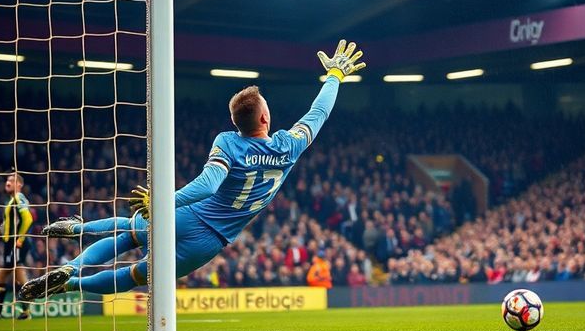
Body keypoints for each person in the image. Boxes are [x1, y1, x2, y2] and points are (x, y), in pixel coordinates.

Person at [20, 40, 365, 300]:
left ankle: (76, 247)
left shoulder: (228, 142)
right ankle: (70, 286)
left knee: (129, 232)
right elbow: (318, 113)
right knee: (136, 275)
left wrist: (164, 203)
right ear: (264, 118)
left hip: (191, 214)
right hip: (211, 240)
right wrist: (335, 74)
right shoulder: (287, 146)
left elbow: (208, 185)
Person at [0, 173, 34, 319]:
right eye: (7, 180)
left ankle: (26, 310)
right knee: (2, 275)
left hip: (16, 244)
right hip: (10, 243)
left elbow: (28, 219)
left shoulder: (19, 198)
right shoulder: (12, 200)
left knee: (18, 275)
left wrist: (20, 239)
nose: (8, 182)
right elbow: (11, 222)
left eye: (12, 180)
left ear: (19, 185)